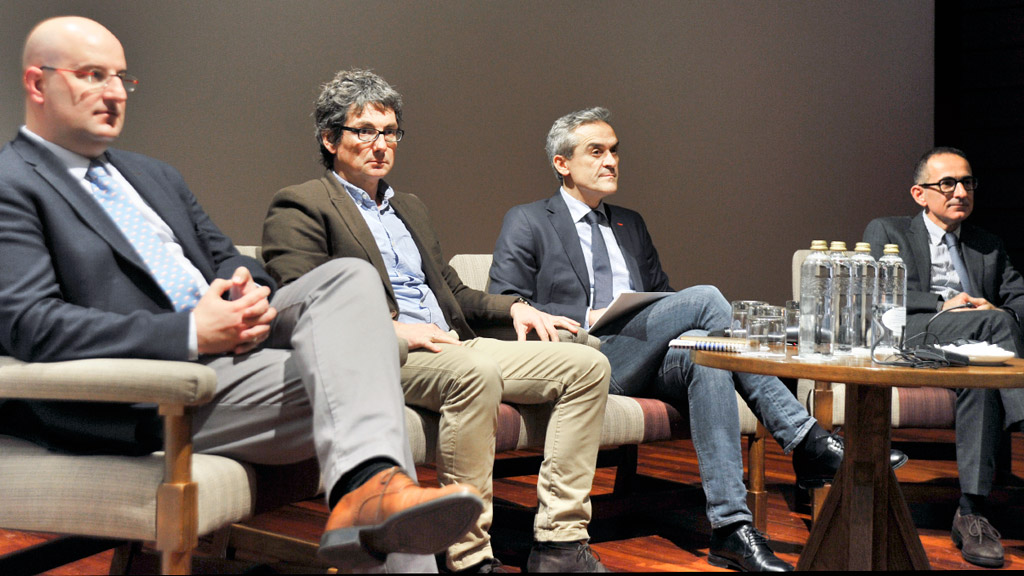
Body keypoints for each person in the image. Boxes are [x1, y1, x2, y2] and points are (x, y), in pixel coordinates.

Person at [0, 17, 485, 572]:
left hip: (236, 349)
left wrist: (246, 289)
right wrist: (190, 331)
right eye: (93, 75)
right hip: (148, 388)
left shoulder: (152, 176)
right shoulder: (13, 183)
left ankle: (369, 492)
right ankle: (372, 493)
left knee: (349, 277)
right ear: (37, 83)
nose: (114, 93)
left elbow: (229, 258)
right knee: (370, 393)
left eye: (122, 78)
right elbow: (31, 324)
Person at [488, 107, 908, 572]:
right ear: (562, 163)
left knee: (705, 353)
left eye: (615, 151)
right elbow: (504, 301)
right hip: (585, 358)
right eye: (597, 151)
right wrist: (581, 317)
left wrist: (657, 316)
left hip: (641, 354)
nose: (611, 161)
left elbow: (662, 297)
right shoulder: (528, 219)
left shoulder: (630, 223)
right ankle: (806, 441)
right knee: (706, 297)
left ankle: (731, 530)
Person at [261, 70, 612, 573]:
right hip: (387, 351)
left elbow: (452, 291)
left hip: (451, 343)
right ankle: (468, 556)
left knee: (587, 367)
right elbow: (301, 299)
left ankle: (559, 542)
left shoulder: (409, 208)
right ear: (329, 139)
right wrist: (395, 330)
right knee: (475, 373)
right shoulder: (303, 203)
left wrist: (514, 307)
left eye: (390, 132)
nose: (381, 144)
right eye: (365, 130)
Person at [863, 146, 1024, 568]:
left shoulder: (988, 244)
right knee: (992, 325)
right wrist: (941, 303)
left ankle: (971, 513)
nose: (961, 192)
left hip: (973, 346)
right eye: (947, 183)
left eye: (967, 183)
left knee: (983, 373)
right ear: (920, 194)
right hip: (909, 334)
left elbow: (1019, 301)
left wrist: (996, 311)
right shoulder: (888, 231)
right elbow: (876, 292)